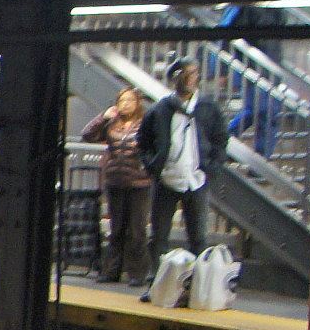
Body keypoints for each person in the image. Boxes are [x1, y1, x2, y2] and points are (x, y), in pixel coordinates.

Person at [139, 56, 229, 269]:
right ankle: (157, 278)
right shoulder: (160, 109)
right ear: (175, 77)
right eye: (184, 74)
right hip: (166, 180)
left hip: (196, 180)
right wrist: (152, 165)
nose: (189, 78)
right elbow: (143, 140)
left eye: (194, 73)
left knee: (198, 237)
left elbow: (221, 139)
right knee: (159, 236)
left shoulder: (208, 108)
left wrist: (212, 167)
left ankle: (196, 281)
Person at [81, 86, 153, 286]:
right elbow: (87, 134)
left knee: (137, 230)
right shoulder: (112, 123)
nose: (126, 104)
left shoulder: (145, 123)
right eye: (122, 101)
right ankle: (112, 270)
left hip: (139, 182)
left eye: (130, 100)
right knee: (116, 228)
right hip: (115, 180)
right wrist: (103, 117)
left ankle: (137, 273)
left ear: (137, 103)